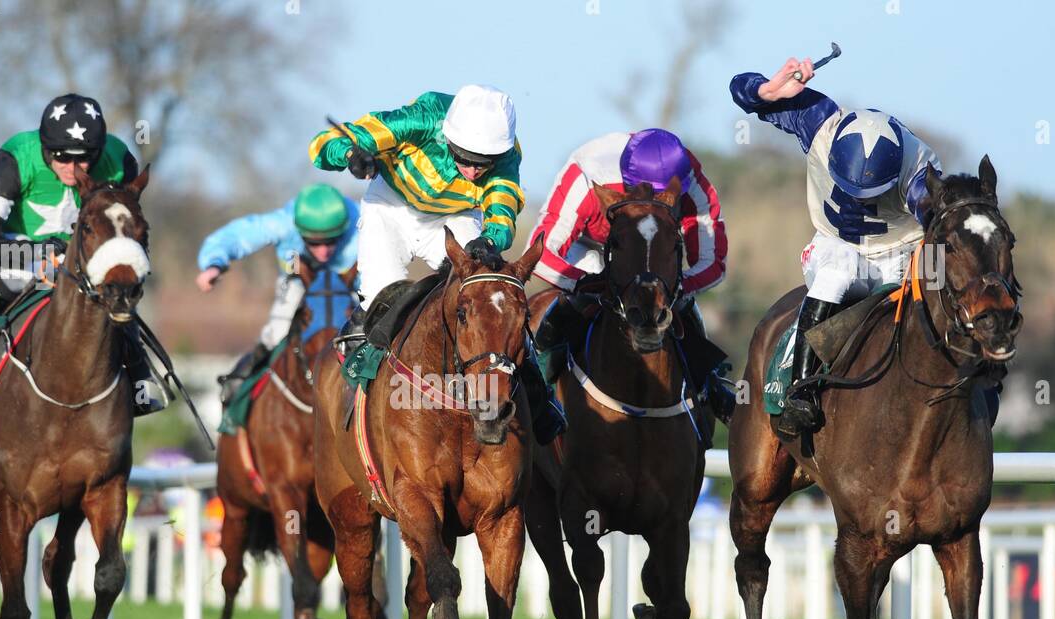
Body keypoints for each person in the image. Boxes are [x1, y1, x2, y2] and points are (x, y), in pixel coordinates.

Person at [309, 85, 564, 442]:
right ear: (448, 139)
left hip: (453, 218)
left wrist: (490, 239)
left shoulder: (506, 153)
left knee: (489, 296)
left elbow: (503, 210)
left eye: (484, 163)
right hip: (390, 209)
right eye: (466, 158)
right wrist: (351, 154)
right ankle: (354, 392)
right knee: (377, 302)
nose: (475, 172)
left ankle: (539, 399)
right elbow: (321, 145)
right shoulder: (421, 118)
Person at [731, 57, 940, 439]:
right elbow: (739, 89)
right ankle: (801, 390)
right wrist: (766, 92)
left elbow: (939, 227)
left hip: (896, 259)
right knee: (839, 269)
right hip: (832, 246)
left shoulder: (919, 169)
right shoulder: (820, 122)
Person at [0, 93, 163, 414]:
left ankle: (140, 373)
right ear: (45, 147)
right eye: (61, 156)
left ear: (99, 151)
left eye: (84, 158)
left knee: (117, 285)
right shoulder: (17, 155)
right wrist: (35, 253)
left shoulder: (118, 158)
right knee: (16, 278)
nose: (72, 168)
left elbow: (127, 221)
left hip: (87, 250)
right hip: (24, 247)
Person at [527, 128, 733, 419]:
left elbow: (713, 262)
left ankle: (710, 384)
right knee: (574, 300)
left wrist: (675, 289)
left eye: (666, 199)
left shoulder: (689, 177)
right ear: (628, 184)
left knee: (684, 304)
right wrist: (585, 283)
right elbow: (540, 252)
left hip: (652, 252)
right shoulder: (587, 175)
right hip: (588, 249)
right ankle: (538, 386)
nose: (658, 204)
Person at [197, 183, 357, 398]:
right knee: (278, 331)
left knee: (361, 332)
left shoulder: (363, 222)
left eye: (332, 242)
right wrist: (214, 263)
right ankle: (240, 384)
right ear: (299, 231)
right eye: (314, 243)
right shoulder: (282, 223)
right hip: (298, 281)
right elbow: (237, 235)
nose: (324, 251)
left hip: (348, 285)